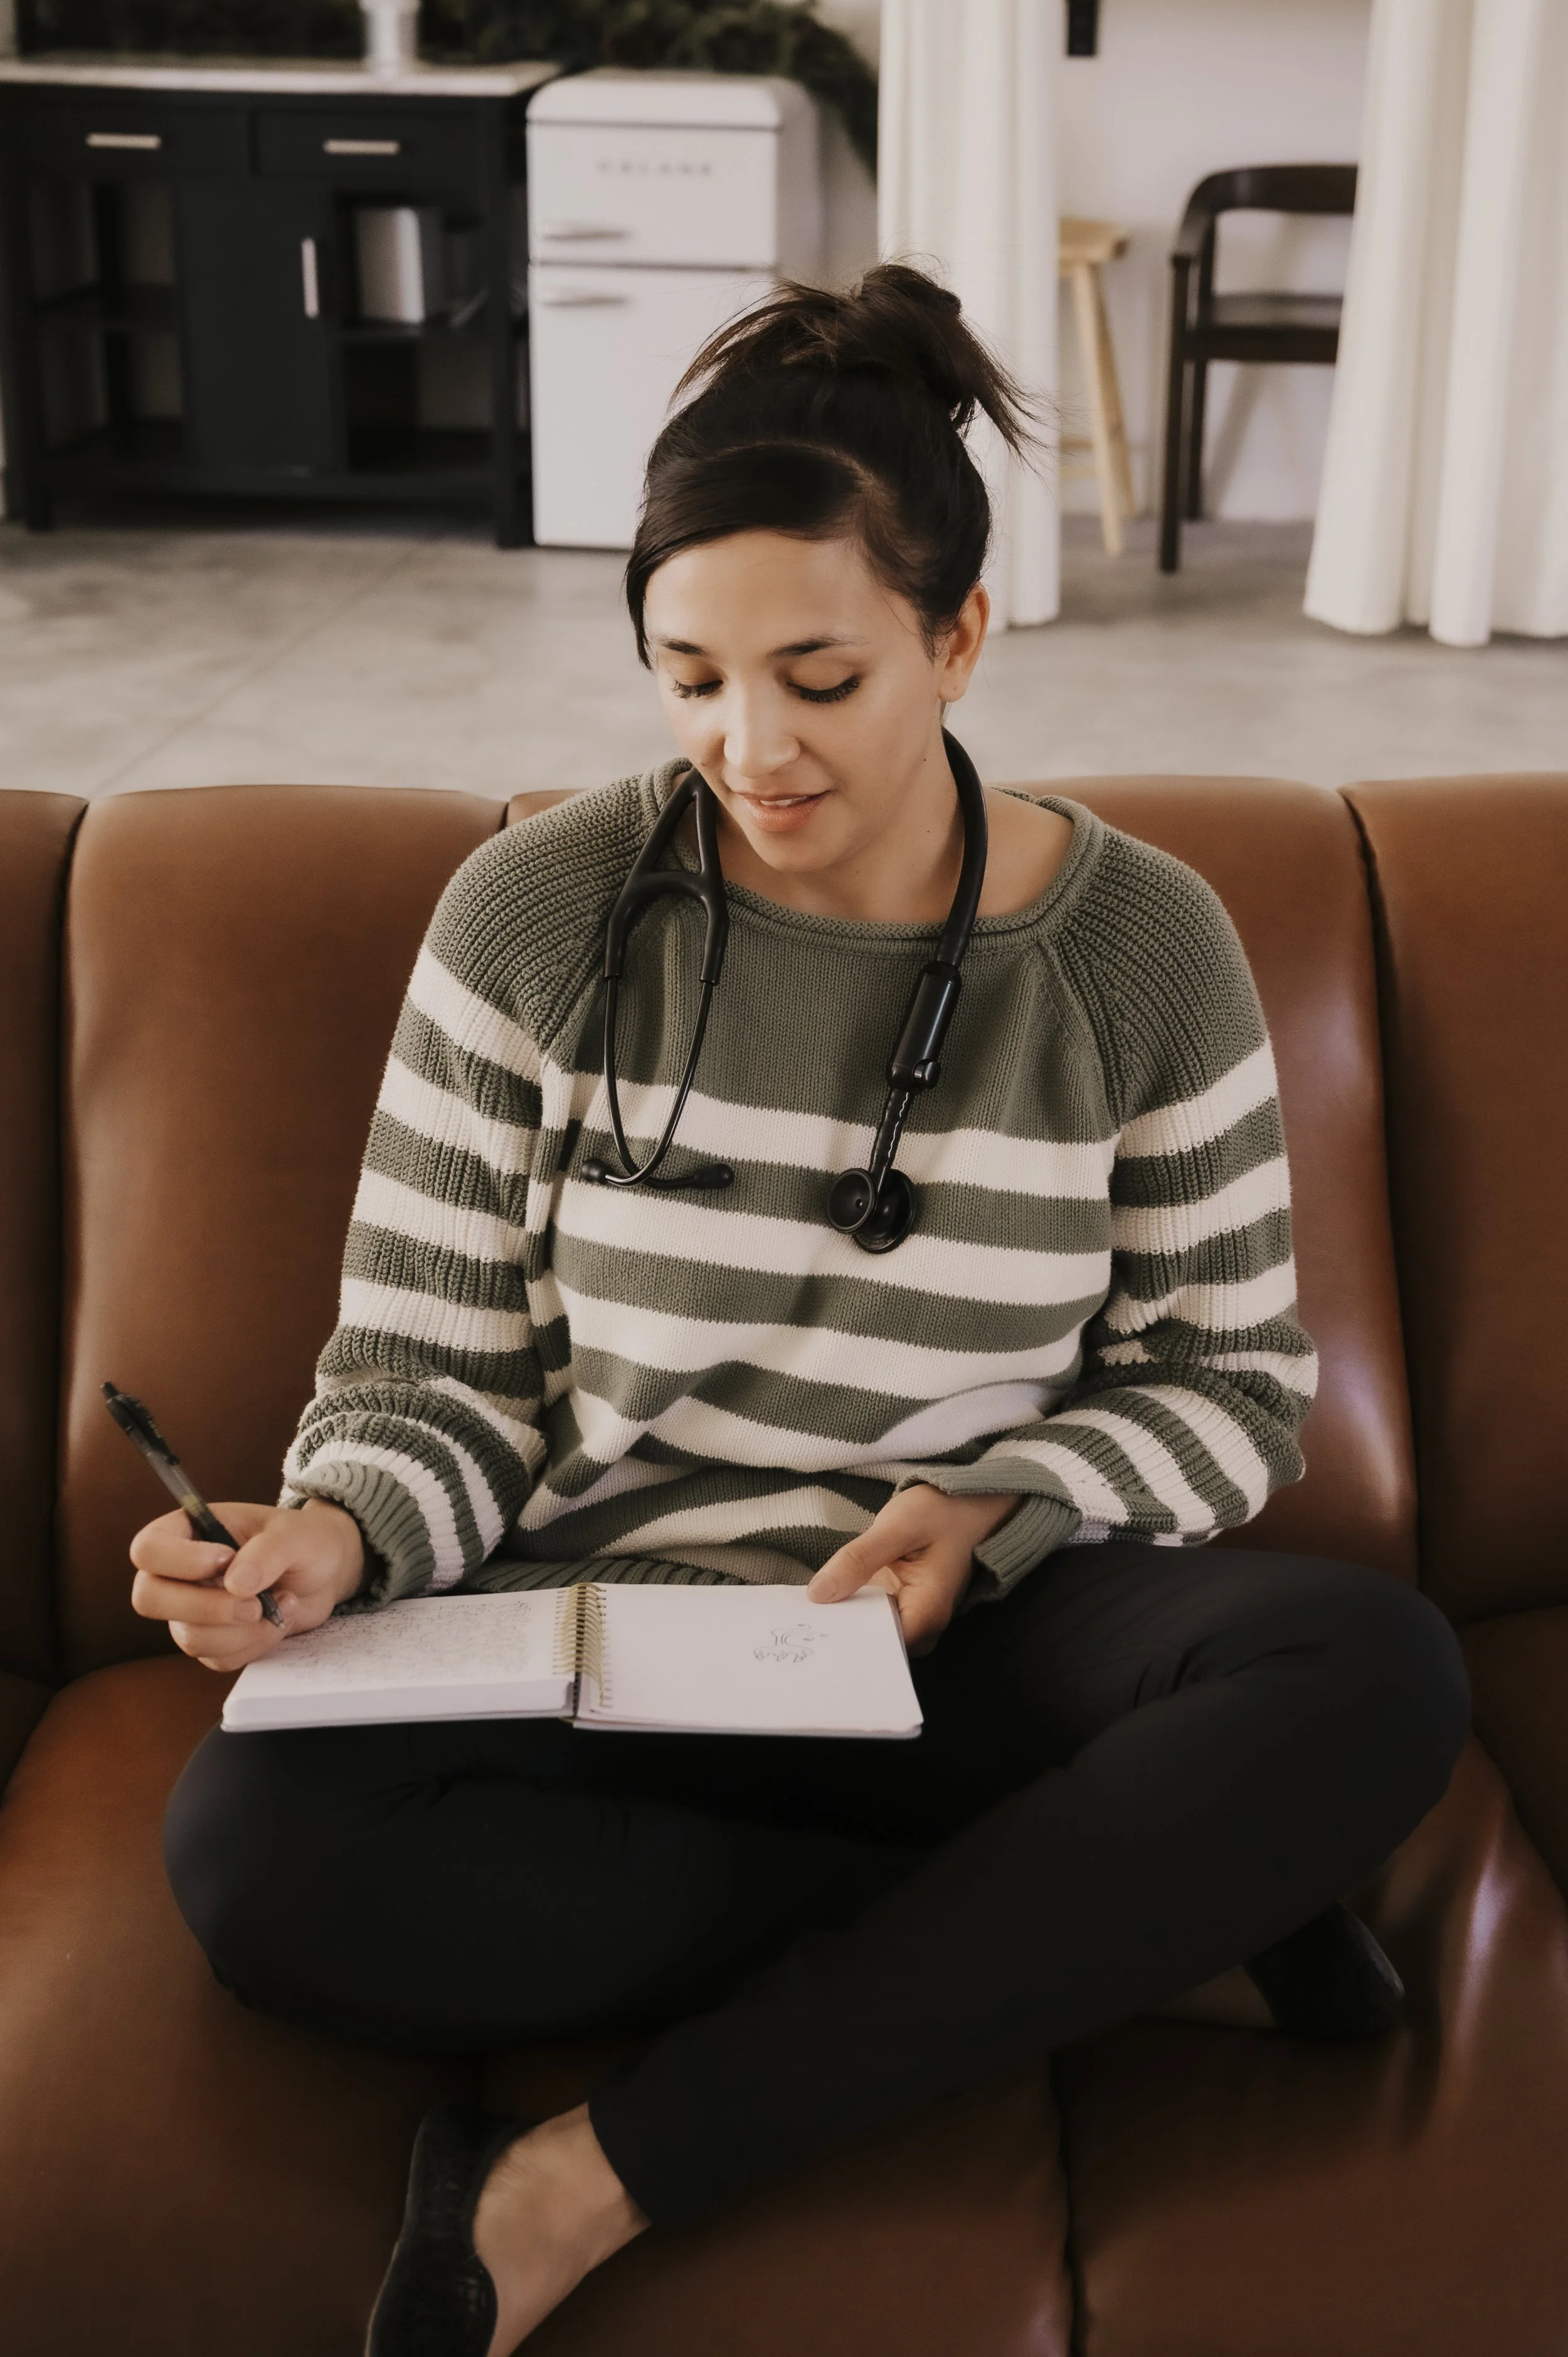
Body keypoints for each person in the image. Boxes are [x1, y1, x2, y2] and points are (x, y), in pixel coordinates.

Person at [130, 266, 1469, 2357]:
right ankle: (1118, 1923)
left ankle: (584, 2179)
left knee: (1365, 1665)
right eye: (687, 676)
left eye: (820, 674)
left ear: (956, 636)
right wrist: (341, 1530)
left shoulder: (1141, 951)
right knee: (255, 1854)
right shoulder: (539, 918)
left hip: (969, 1650)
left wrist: (1002, 1511)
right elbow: (428, 1368)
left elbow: (1231, 1380)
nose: (748, 747)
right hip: (613, 1644)